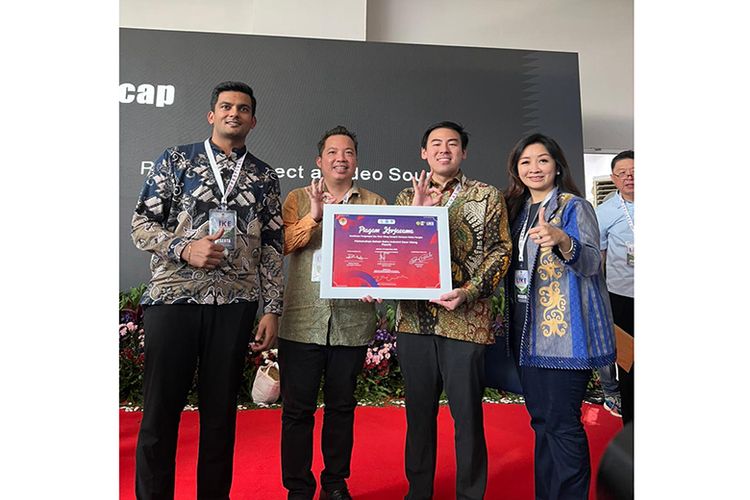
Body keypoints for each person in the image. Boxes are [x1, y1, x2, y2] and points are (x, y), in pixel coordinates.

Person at [131, 81, 284, 500]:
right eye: (226, 106)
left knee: (220, 419)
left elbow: (273, 245)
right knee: (160, 415)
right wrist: (185, 249)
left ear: (253, 120)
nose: (234, 113)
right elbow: (142, 225)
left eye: (243, 108)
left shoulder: (264, 175)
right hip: (172, 300)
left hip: (234, 305)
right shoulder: (176, 159)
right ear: (211, 115)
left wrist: (271, 308)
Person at [392, 121, 512, 499]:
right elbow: (396, 255)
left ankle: (470, 494)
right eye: (435, 144)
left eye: (453, 143)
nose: (444, 149)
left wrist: (470, 291)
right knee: (419, 417)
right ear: (423, 153)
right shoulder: (404, 197)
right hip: (415, 321)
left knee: (468, 418)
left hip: (466, 321)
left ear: (464, 152)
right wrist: (417, 213)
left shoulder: (486, 195)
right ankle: (419, 492)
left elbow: (501, 250)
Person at [504, 133, 616, 500]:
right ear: (516, 169)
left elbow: (588, 264)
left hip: (563, 338)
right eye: (526, 162)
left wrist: (562, 240)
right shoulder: (517, 210)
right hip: (526, 333)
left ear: (557, 166)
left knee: (563, 424)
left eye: (542, 160)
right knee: (542, 423)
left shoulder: (574, 207)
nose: (534, 168)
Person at [278, 126, 386, 500]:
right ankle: (298, 488)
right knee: (297, 411)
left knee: (342, 408)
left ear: (356, 160)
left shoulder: (374, 203)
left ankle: (335, 484)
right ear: (319, 160)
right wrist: (316, 216)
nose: (341, 158)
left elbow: (385, 260)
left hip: (351, 324)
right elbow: (285, 245)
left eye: (349, 152)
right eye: (333, 152)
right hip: (301, 322)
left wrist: (379, 284)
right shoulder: (296, 197)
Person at [596, 150, 635, 425]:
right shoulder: (605, 211)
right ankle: (631, 425)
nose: (629, 177)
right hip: (622, 298)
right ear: (613, 178)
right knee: (629, 364)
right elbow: (599, 258)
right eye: (622, 173)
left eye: (634, 170)